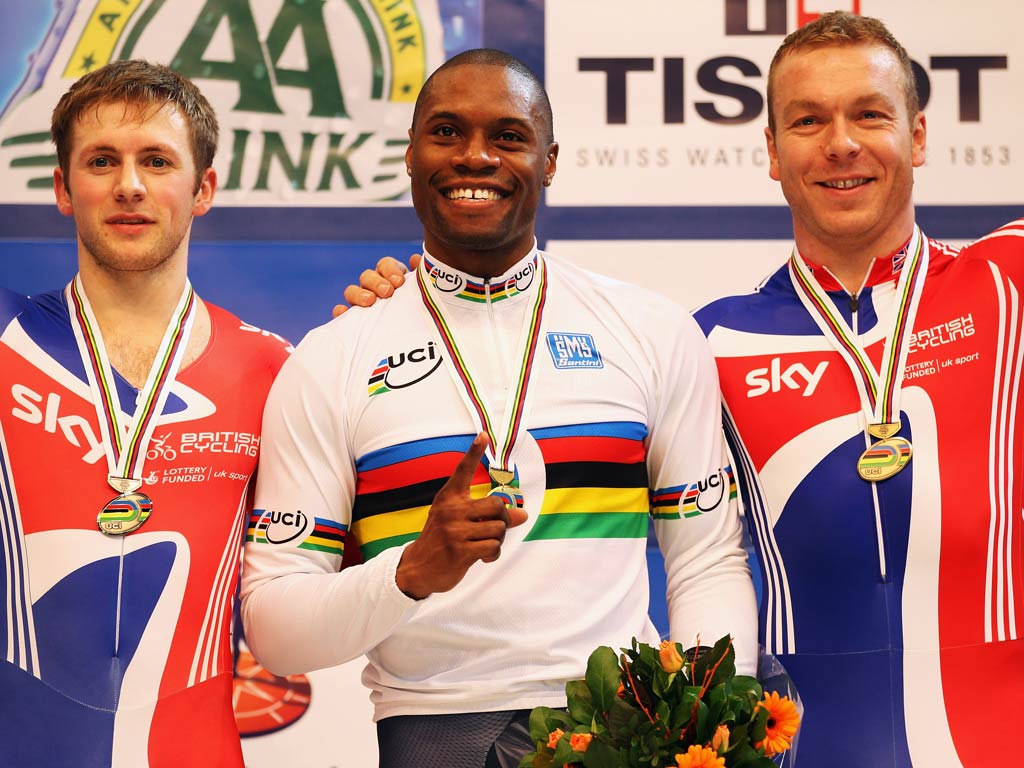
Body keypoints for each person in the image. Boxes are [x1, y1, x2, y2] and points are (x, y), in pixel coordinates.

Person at [347, 13, 1024, 768]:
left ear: (920, 136)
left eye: (869, 113)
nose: (841, 143)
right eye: (807, 119)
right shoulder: (707, 341)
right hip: (794, 749)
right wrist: (402, 307)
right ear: (770, 150)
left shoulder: (1009, 282)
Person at [240, 48, 756, 768]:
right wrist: (414, 568)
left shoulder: (651, 330)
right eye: (447, 132)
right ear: (412, 156)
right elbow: (274, 630)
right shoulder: (331, 359)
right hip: (434, 731)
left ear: (549, 159)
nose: (475, 157)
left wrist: (702, 727)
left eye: (508, 136)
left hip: (621, 729)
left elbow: (706, 560)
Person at [0, 61, 290, 768]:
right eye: (102, 161)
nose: (129, 184)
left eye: (156, 160)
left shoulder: (276, 369)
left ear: (203, 189)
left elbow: (319, 579)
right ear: (63, 189)